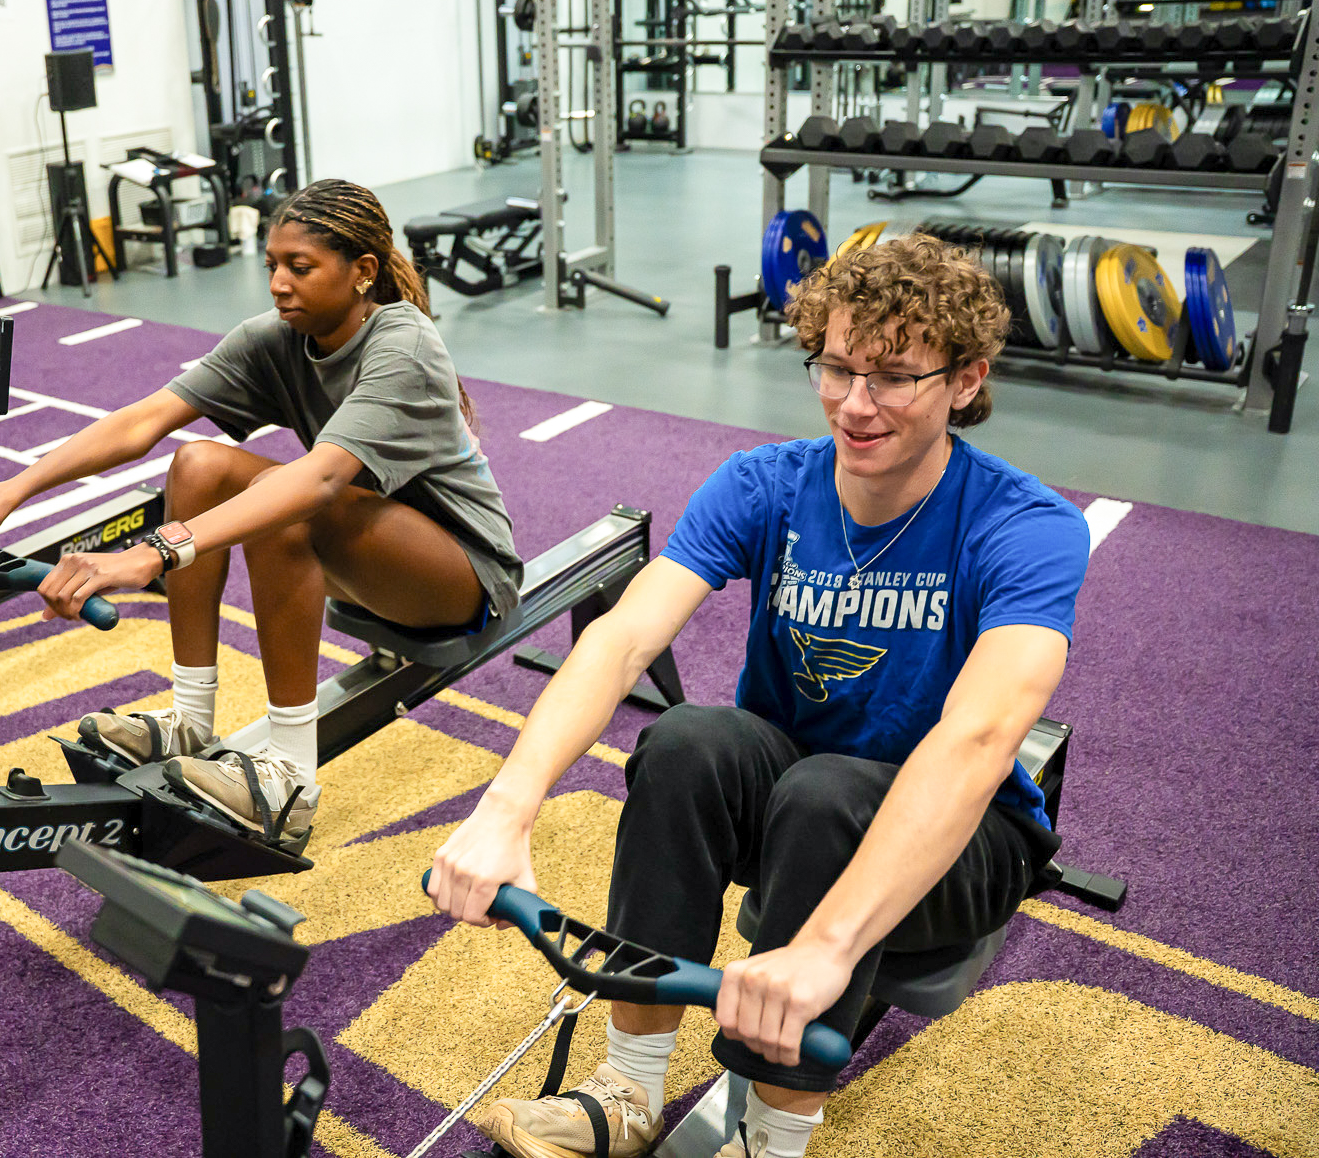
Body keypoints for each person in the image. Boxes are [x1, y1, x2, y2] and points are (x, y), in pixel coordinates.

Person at [426, 234, 1088, 1158]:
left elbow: (978, 740)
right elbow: (622, 639)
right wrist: (506, 808)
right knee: (687, 740)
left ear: (966, 380)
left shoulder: (1024, 524)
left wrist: (826, 946)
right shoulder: (766, 484)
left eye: (894, 378)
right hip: (797, 795)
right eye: (838, 367)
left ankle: (772, 1139)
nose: (855, 404)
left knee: (827, 795)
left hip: (966, 840)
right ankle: (627, 1087)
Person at [0, 178, 521, 844]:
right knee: (199, 465)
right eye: (272, 265)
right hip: (372, 553)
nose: (279, 284)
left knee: (287, 502)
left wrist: (154, 552)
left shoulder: (403, 343)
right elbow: (144, 419)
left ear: (362, 272)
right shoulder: (278, 339)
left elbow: (320, 479)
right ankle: (189, 718)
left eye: (300, 267)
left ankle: (289, 778)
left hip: (464, 575)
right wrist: (7, 492)